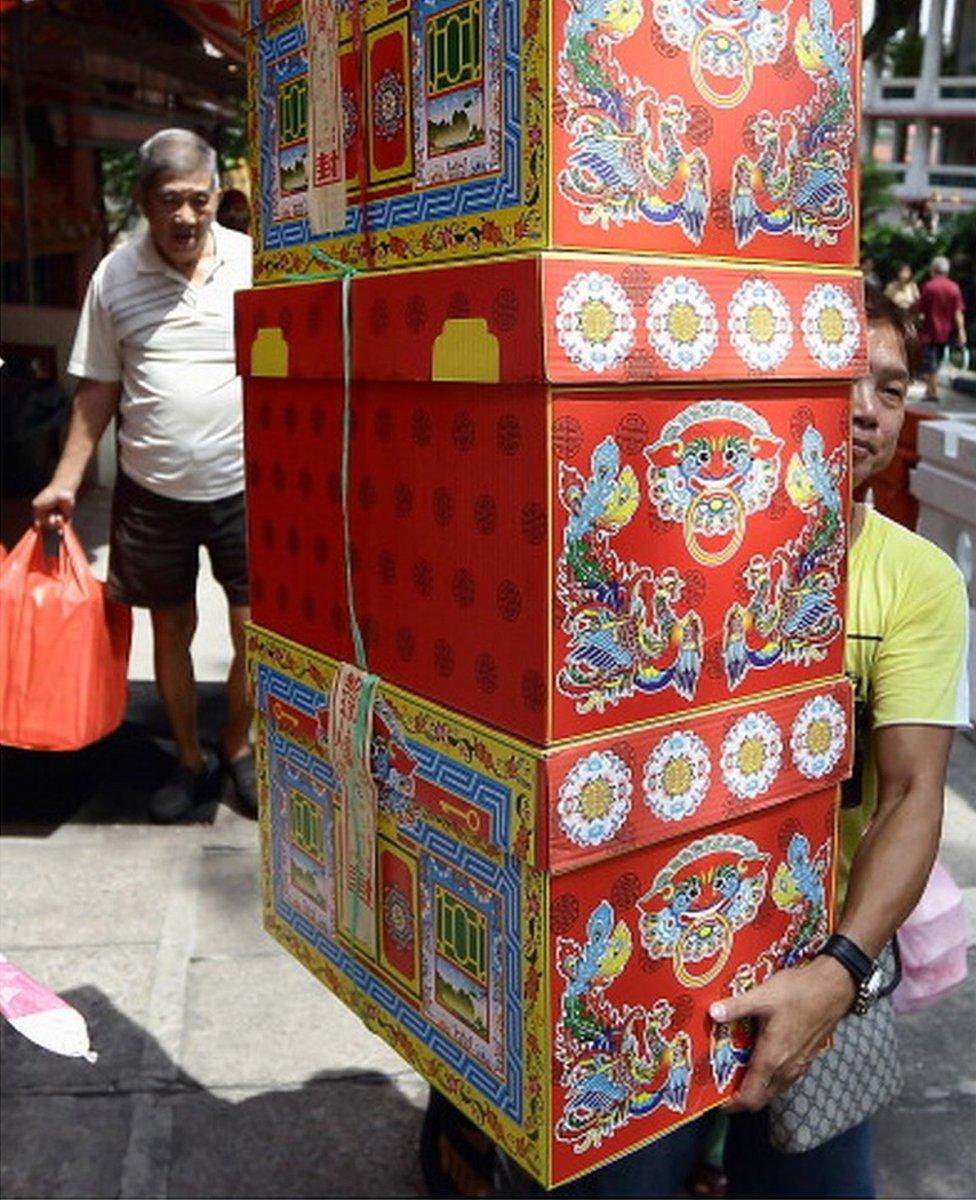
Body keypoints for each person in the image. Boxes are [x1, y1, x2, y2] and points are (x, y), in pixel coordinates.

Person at [420, 287, 970, 1199]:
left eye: (893, 387)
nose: (867, 409)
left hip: (811, 971)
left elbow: (915, 793)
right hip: (635, 985)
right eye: (841, 380)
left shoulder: (917, 582)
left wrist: (838, 973)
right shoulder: (644, 556)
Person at [32, 128, 256, 823]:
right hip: (151, 492)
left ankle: (238, 746)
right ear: (143, 201)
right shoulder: (114, 276)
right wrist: (66, 479)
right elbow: (98, 388)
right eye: (170, 201)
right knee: (171, 630)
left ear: (217, 195)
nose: (186, 217)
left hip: (246, 488)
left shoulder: (253, 264)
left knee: (256, 630)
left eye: (198, 200)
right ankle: (189, 757)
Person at [917, 255, 967, 401]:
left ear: (934, 269)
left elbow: (921, 310)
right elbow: (958, 312)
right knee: (937, 361)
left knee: (930, 362)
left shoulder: (929, 286)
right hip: (945, 331)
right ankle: (930, 390)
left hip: (929, 331)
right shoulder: (954, 288)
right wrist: (961, 331)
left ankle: (932, 392)